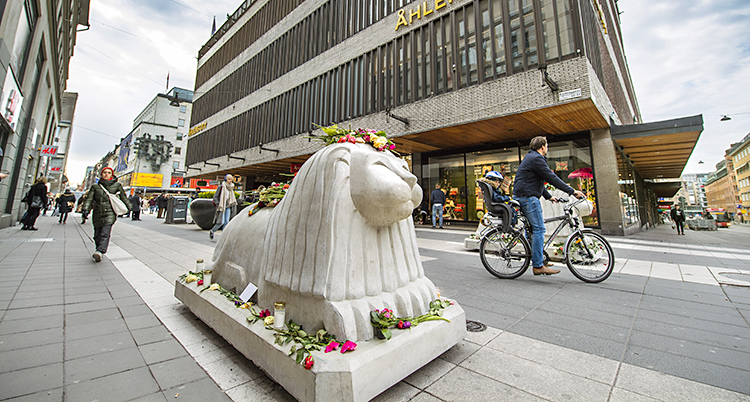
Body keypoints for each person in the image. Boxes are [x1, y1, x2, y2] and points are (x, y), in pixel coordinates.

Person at [513, 136, 585, 276]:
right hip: (528, 198)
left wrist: (548, 196)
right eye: (547, 145)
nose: (547, 148)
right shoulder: (536, 158)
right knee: (539, 229)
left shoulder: (531, 157)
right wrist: (572, 191)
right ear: (542, 147)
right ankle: (538, 265)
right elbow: (551, 178)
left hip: (524, 196)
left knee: (533, 231)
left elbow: (535, 180)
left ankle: (538, 259)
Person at [81, 167, 132, 262]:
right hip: (97, 212)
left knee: (105, 232)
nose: (106, 174)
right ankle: (98, 249)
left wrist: (129, 207)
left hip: (110, 212)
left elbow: (123, 197)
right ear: (101, 174)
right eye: (104, 172)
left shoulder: (117, 185)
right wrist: (85, 209)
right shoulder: (95, 187)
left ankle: (100, 251)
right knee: (97, 234)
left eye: (109, 172)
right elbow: (89, 199)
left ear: (112, 175)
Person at [209, 174, 238, 239]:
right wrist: (219, 204)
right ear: (226, 179)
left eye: (231, 179)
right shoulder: (221, 187)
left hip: (228, 205)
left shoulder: (231, 187)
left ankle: (223, 236)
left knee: (226, 222)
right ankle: (212, 230)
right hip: (222, 205)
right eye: (229, 179)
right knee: (220, 222)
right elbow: (215, 197)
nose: (230, 181)